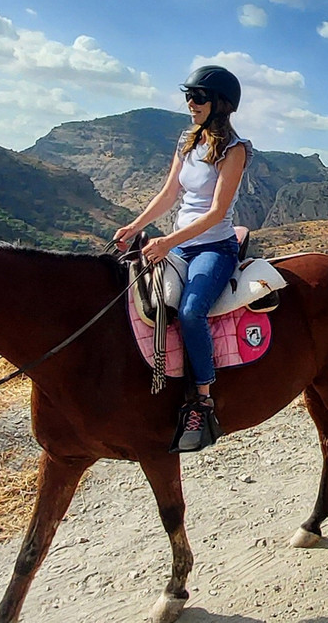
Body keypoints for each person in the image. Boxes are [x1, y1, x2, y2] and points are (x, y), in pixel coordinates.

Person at [113, 65, 252, 452]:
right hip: (179, 243)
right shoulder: (186, 142)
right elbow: (169, 193)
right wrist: (135, 225)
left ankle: (202, 399)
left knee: (192, 311)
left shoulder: (234, 150)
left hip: (213, 247)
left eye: (199, 97)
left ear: (220, 104)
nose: (190, 103)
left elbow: (215, 212)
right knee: (137, 294)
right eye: (188, 95)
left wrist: (167, 241)